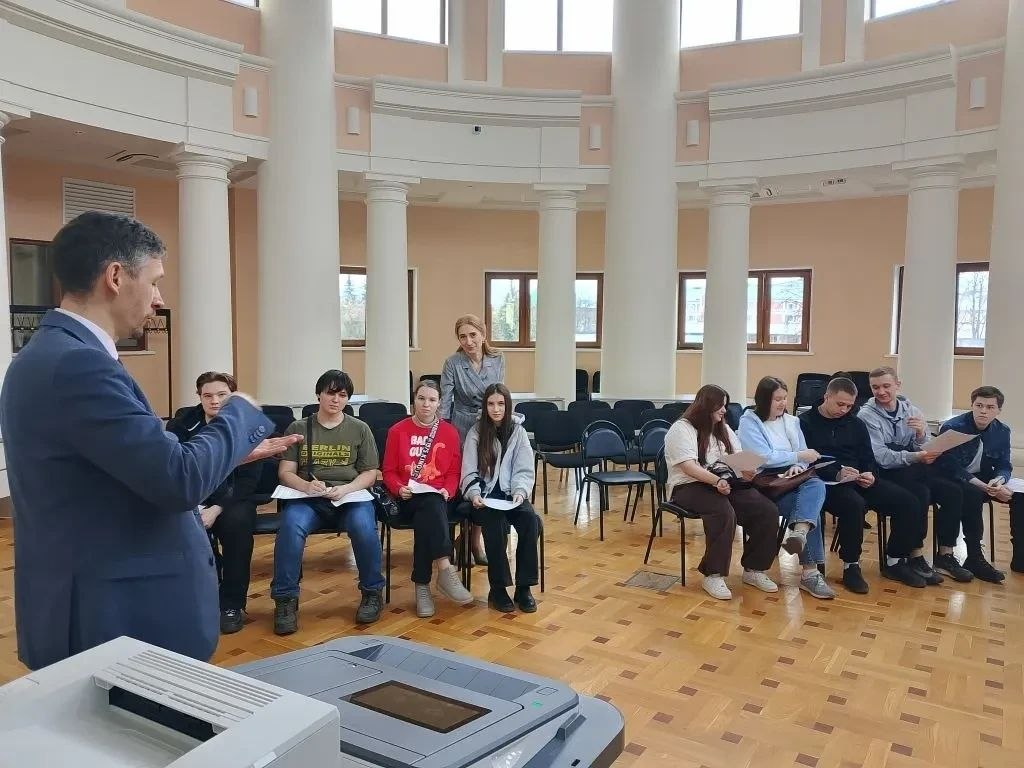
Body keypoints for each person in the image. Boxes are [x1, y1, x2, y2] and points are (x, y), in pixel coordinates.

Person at [0, 211, 297, 670]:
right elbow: (178, 479)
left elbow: (123, 469)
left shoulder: (50, 355)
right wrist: (238, 411)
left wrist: (229, 456)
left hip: (94, 604)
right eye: (155, 281)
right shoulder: (79, 365)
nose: (159, 299)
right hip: (113, 617)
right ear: (116, 277)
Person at [799, 377, 942, 593]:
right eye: (840, 404)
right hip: (826, 483)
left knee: (908, 501)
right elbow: (807, 460)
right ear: (826, 396)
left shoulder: (855, 423)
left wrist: (870, 474)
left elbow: (868, 456)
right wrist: (836, 472)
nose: (844, 410)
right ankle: (851, 566)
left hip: (859, 479)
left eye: (849, 406)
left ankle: (895, 560)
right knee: (853, 505)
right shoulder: (805, 422)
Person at [271, 370, 384, 633]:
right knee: (290, 526)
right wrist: (306, 486)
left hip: (349, 496)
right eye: (330, 393)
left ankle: (372, 592)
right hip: (309, 498)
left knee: (364, 527)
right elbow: (285, 472)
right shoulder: (299, 428)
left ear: (348, 399)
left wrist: (347, 488)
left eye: (342, 395)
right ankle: (285, 599)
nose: (335, 399)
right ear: (318, 395)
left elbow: (370, 473)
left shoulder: (360, 429)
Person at [166, 371, 268, 634]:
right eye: (207, 395)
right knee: (181, 527)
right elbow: (177, 469)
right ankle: (200, 598)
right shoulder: (181, 426)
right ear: (199, 397)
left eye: (222, 395)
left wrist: (216, 508)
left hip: (234, 498)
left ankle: (231, 604)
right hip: (194, 496)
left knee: (237, 525)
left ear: (232, 396)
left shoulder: (247, 425)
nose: (214, 401)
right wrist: (198, 506)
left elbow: (248, 480)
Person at [857, 367, 977, 583]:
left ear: (898, 385)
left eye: (886, 386)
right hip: (886, 472)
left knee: (953, 491)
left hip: (912, 468)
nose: (881, 392)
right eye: (875, 387)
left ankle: (945, 555)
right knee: (919, 493)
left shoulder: (912, 411)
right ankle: (915, 554)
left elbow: (924, 446)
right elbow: (881, 457)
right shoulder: (866, 415)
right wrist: (917, 456)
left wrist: (921, 434)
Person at [664, 385, 779, 600]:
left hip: (723, 483)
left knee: (766, 510)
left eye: (725, 405)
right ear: (705, 405)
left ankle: (754, 569)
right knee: (722, 511)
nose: (725, 410)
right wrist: (716, 481)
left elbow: (737, 457)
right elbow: (689, 467)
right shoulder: (681, 429)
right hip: (687, 486)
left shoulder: (723, 429)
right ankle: (713, 575)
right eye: (720, 406)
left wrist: (747, 470)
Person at [382, 380, 474, 618]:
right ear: (414, 400)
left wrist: (448, 491)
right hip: (407, 498)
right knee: (429, 508)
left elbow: (453, 472)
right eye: (421, 398)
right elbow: (388, 471)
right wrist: (399, 488)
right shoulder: (397, 431)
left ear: (439, 403)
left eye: (432, 400)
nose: (426, 404)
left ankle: (422, 586)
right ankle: (445, 568)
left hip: (440, 499)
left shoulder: (449, 432)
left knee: (430, 508)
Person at [739, 377, 834, 599]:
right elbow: (762, 457)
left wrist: (797, 466)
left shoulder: (792, 421)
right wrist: (797, 457)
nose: (782, 403)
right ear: (764, 400)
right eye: (777, 399)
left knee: (815, 485)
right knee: (810, 512)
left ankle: (799, 536)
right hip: (766, 483)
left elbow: (804, 455)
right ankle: (810, 574)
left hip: (791, 479)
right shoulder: (749, 421)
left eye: (784, 398)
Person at [460, 383, 541, 613]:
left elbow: (524, 469)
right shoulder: (476, 432)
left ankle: (524, 588)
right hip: (484, 498)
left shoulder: (518, 432)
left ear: (508, 405)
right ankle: (498, 589)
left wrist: (520, 492)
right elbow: (468, 471)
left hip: (511, 495)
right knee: (495, 524)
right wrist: (474, 494)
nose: (496, 409)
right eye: (491, 404)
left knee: (530, 521)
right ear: (485, 406)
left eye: (501, 404)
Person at [440, 314, 505, 565]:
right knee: (463, 482)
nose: (468, 341)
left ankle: (473, 541)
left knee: (484, 481)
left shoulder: (497, 358)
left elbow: (499, 395)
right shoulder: (452, 363)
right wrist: (443, 433)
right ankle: (455, 541)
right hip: (461, 426)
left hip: (489, 424)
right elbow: (445, 401)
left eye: (473, 335)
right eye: (463, 337)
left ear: (483, 334)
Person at [936, 386, 1016, 579]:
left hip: (983, 479)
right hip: (951, 478)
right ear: (972, 405)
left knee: (1019, 496)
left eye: (990, 407)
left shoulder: (1002, 431)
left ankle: (1020, 558)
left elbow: (1004, 464)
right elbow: (951, 467)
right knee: (970, 492)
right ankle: (973, 555)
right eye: (979, 405)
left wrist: (999, 481)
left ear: (998, 410)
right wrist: (983, 486)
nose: (983, 411)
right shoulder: (953, 426)